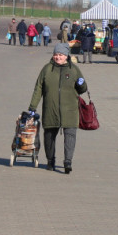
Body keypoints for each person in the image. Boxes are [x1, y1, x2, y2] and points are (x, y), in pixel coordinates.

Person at [28, 43, 88, 174]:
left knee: (70, 136)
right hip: (51, 109)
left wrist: (82, 84)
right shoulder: (46, 69)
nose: (58, 57)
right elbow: (38, 88)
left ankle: (68, 162)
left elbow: (82, 89)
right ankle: (50, 160)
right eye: (56, 54)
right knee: (49, 136)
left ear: (66, 56)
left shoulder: (74, 70)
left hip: (70, 110)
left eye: (61, 55)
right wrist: (33, 106)